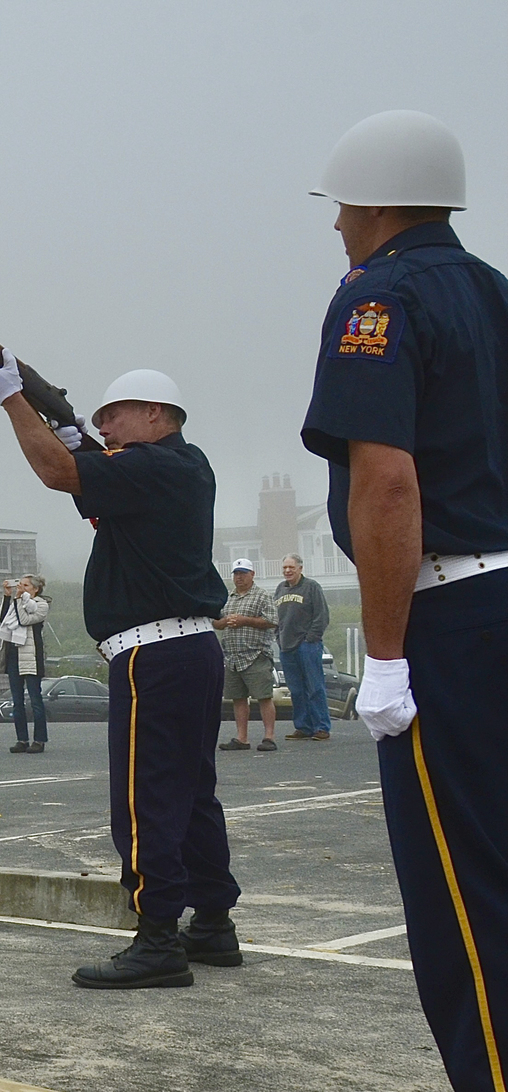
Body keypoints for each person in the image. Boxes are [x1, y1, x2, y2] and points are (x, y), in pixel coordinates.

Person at [302, 109, 508, 1089]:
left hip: (448, 627)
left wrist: (384, 658)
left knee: (462, 907)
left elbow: (385, 482)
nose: (337, 222)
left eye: (344, 204)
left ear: (378, 199)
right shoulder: (491, 293)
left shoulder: (377, 297)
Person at [0, 360, 238, 988]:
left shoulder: (154, 465)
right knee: (192, 793)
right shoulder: (182, 465)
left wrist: (13, 398)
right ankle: (212, 921)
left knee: (144, 797)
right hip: (189, 650)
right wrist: (77, 440)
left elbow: (57, 473)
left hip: (154, 656)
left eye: (113, 415)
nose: (104, 426)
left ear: (156, 413)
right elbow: (91, 481)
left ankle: (156, 938)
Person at [214, 559, 279, 752]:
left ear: (252, 574)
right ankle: (242, 738)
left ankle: (269, 737)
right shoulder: (228, 598)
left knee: (264, 696)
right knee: (238, 697)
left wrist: (245, 620)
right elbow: (215, 623)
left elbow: (272, 621)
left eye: (243, 573)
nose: (239, 577)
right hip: (232, 657)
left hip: (256, 654)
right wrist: (225, 621)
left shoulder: (262, 596)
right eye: (236, 573)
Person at [274, 555, 333, 741]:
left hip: (307, 646)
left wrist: (310, 639)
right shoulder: (280, 589)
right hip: (286, 647)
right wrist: (279, 638)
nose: (287, 571)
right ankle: (303, 726)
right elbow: (276, 618)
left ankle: (321, 727)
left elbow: (322, 616)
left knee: (314, 687)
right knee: (296, 690)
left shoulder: (311, 587)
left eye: (291, 567)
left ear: (300, 568)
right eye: (285, 568)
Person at [0, 575, 51, 753]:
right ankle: (22, 739)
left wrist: (20, 599)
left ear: (35, 589)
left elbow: (25, 620)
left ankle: (40, 739)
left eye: (26, 585)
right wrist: (8, 597)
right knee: (17, 701)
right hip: (14, 654)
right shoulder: (18, 601)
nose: (22, 587)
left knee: (35, 700)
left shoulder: (41, 604)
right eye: (21, 584)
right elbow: (4, 619)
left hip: (31, 656)